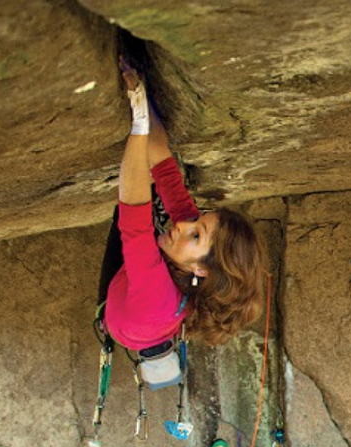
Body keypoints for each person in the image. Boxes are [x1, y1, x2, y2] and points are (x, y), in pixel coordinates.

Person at [97, 56, 268, 357]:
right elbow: (164, 168)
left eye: (196, 235)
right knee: (156, 194)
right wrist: (141, 96)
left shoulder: (155, 294)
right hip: (146, 302)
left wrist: (139, 124)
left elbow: (132, 213)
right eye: (200, 220)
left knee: (132, 219)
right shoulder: (193, 247)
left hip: (122, 318)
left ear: (200, 269)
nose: (184, 224)